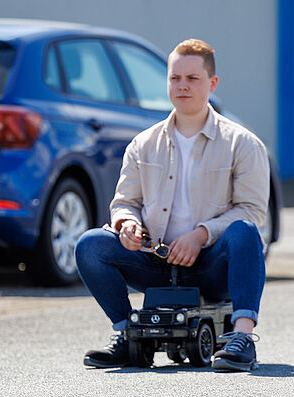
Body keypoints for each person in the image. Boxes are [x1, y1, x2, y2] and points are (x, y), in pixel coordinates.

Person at [75, 39, 269, 371]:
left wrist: (201, 235)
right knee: (90, 245)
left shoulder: (243, 144)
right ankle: (127, 335)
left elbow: (252, 210)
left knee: (246, 232)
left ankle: (242, 338)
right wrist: (127, 225)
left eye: (192, 78)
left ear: (212, 83)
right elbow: (125, 203)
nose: (181, 86)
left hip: (211, 266)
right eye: (174, 78)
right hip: (156, 260)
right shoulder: (143, 144)